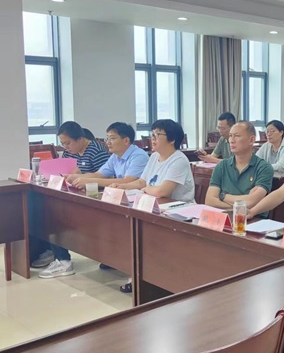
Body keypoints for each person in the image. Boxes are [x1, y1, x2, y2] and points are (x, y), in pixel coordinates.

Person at [113, 119, 195, 293]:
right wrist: (121, 186)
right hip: (155, 208)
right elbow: (142, 182)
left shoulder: (179, 160)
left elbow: (162, 191)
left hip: (179, 214)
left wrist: (145, 189)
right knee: (131, 227)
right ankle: (140, 276)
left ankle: (152, 279)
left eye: (158, 134)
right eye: (152, 134)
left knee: (143, 232)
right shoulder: (154, 157)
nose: (153, 138)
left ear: (172, 139)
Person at [34, 121, 110, 279]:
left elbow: (107, 178)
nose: (65, 147)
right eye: (62, 144)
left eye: (68, 143)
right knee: (49, 210)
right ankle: (55, 253)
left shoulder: (97, 151)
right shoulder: (69, 153)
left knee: (57, 216)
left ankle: (62, 260)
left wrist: (82, 177)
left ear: (80, 139)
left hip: (96, 201)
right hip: (74, 196)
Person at [205, 121, 274, 215]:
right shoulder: (222, 166)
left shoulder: (264, 168)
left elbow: (252, 202)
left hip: (253, 219)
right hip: (225, 217)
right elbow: (209, 201)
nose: (231, 140)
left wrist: (223, 196)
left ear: (251, 140)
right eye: (230, 136)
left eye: (237, 136)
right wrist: (241, 206)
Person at [66, 122, 148, 189]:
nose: (108, 142)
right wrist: (75, 177)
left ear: (126, 141)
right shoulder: (115, 156)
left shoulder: (139, 156)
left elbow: (127, 181)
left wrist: (90, 181)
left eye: (112, 138)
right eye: (107, 138)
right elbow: (99, 175)